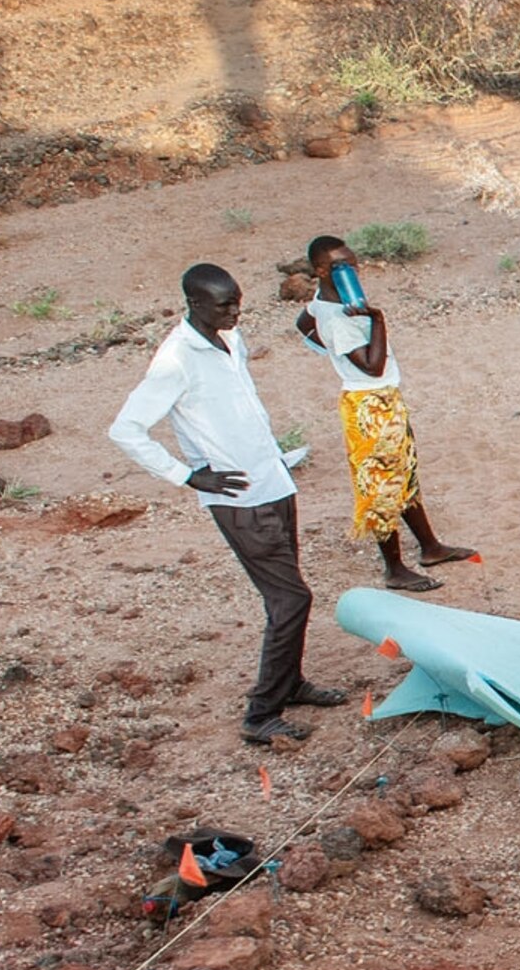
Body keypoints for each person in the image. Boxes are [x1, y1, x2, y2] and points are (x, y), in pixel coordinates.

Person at [108, 263, 349, 746]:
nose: (235, 311)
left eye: (238, 300)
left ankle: (292, 682)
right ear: (193, 304)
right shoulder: (176, 359)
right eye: (224, 304)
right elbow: (126, 429)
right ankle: (262, 713)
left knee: (287, 596)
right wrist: (189, 475)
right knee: (291, 599)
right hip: (238, 498)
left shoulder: (229, 339)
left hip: (272, 483)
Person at [294, 234, 475, 592]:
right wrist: (377, 320)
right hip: (369, 404)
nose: (350, 270)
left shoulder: (325, 302)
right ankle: (394, 569)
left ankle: (430, 547)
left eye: (352, 262)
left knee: (404, 476)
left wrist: (326, 350)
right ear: (320, 270)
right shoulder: (338, 320)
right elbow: (373, 366)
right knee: (381, 487)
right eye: (339, 266)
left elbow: (303, 322)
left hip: (384, 400)